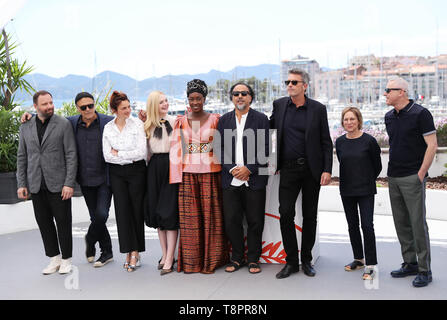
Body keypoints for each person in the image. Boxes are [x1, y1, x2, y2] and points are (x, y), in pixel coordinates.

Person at [21, 92, 115, 268]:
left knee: (101, 214)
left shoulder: (106, 122)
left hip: (105, 178)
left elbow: (124, 125)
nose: (88, 109)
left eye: (91, 105)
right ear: (78, 109)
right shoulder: (71, 123)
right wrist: (30, 116)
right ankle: (107, 251)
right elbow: (47, 121)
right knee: (96, 216)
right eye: (83, 107)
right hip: (86, 180)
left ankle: (90, 238)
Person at [270, 69, 333, 279]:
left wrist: (327, 169)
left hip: (311, 170)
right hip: (287, 169)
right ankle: (290, 262)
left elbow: (326, 141)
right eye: (287, 81)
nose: (289, 85)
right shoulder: (279, 106)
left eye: (294, 82)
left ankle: (306, 259)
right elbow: (269, 132)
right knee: (285, 212)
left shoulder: (317, 109)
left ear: (304, 86)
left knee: (310, 215)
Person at [170, 79, 229, 274]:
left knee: (211, 218)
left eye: (198, 98)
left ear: (204, 99)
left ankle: (211, 261)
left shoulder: (216, 119)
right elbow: (176, 149)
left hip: (211, 172)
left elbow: (226, 144)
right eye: (191, 98)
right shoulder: (180, 120)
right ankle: (191, 262)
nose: (195, 102)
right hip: (187, 174)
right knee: (190, 220)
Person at [384, 77, 437, 288]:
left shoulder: (421, 114)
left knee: (417, 223)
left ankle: (425, 270)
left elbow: (432, 145)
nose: (385, 93)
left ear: (402, 92)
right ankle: (410, 263)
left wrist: (421, 172)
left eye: (389, 90)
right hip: (393, 176)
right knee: (401, 223)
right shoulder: (389, 117)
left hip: (413, 177)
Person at [17, 90, 77, 275]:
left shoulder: (63, 124)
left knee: (63, 222)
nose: (49, 106)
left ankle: (67, 259)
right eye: (45, 104)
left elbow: (71, 154)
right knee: (44, 223)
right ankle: (55, 259)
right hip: (36, 183)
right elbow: (22, 156)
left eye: (51, 102)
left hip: (59, 184)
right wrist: (21, 184)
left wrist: (69, 183)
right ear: (35, 106)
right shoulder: (25, 126)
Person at [216, 82, 270, 274]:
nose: (240, 96)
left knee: (255, 221)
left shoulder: (262, 119)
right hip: (230, 180)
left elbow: (266, 149)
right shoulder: (224, 120)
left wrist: (249, 168)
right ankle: (237, 258)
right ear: (231, 97)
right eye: (236, 94)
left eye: (244, 93)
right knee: (232, 220)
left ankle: (254, 259)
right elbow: (218, 148)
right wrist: (232, 169)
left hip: (254, 179)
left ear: (250, 97)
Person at [335, 107, 382, 280]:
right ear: (342, 122)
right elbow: (343, 162)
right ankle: (359, 259)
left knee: (367, 226)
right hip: (347, 189)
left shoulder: (369, 141)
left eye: (352, 119)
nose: (349, 122)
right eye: (346, 120)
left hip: (365, 189)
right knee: (352, 225)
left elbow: (377, 166)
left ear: (359, 121)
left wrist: (366, 179)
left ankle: (371, 264)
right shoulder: (339, 142)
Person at [103, 91, 147, 272]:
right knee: (122, 212)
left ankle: (136, 252)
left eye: (129, 107)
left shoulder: (137, 124)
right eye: (123, 108)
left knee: (136, 211)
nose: (128, 110)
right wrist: (122, 156)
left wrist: (119, 153)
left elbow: (141, 152)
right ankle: (127, 251)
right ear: (114, 110)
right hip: (116, 174)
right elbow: (106, 156)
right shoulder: (108, 128)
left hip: (137, 171)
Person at [143, 91, 179, 276]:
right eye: (160, 102)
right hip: (155, 168)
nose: (165, 104)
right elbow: (146, 153)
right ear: (153, 106)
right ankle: (165, 255)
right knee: (158, 214)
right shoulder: (147, 126)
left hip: (172, 167)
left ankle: (171, 255)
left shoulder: (177, 122)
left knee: (170, 213)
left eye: (166, 101)